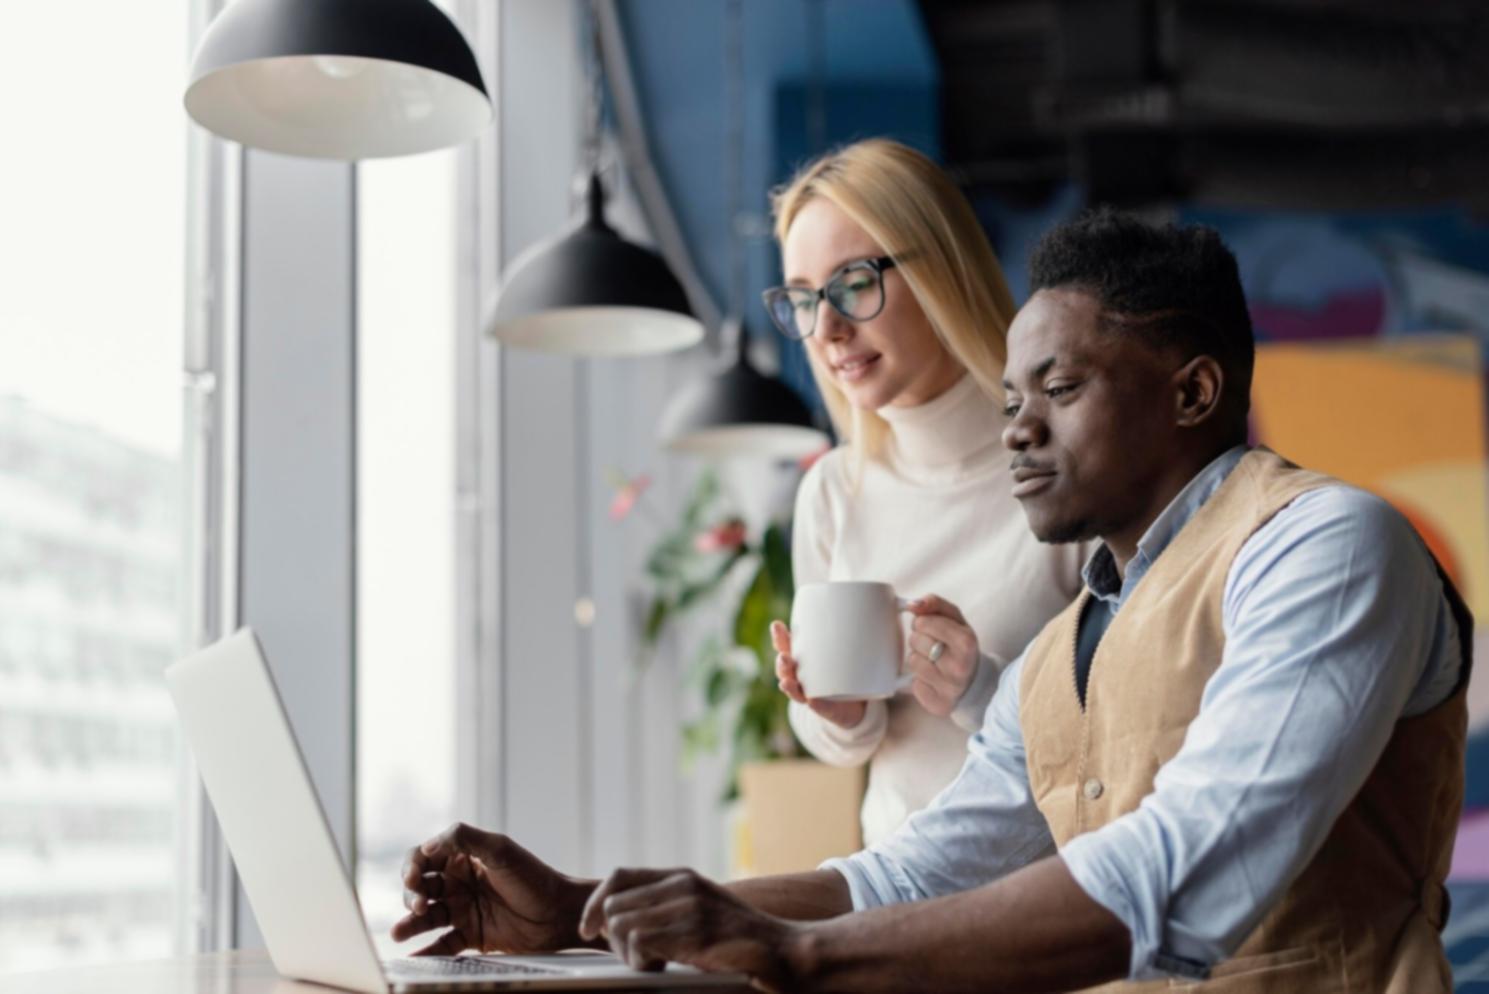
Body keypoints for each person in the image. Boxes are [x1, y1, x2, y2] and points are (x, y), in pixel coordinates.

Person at [394, 210, 1469, 992]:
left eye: (1060, 388)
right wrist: (583, 907)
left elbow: (1179, 862)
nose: (1016, 428)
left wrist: (793, 953)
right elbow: (901, 875)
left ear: (1192, 391)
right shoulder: (1060, 654)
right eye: (1009, 399)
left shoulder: (1324, 544)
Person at [762, 138, 1088, 845]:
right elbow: (849, 743)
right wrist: (838, 713)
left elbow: (1135, 728)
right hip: (893, 900)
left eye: (853, 284)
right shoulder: (831, 491)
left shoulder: (1071, 468)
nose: (828, 329)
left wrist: (981, 693)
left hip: (1047, 912)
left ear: (942, 268)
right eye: (803, 300)